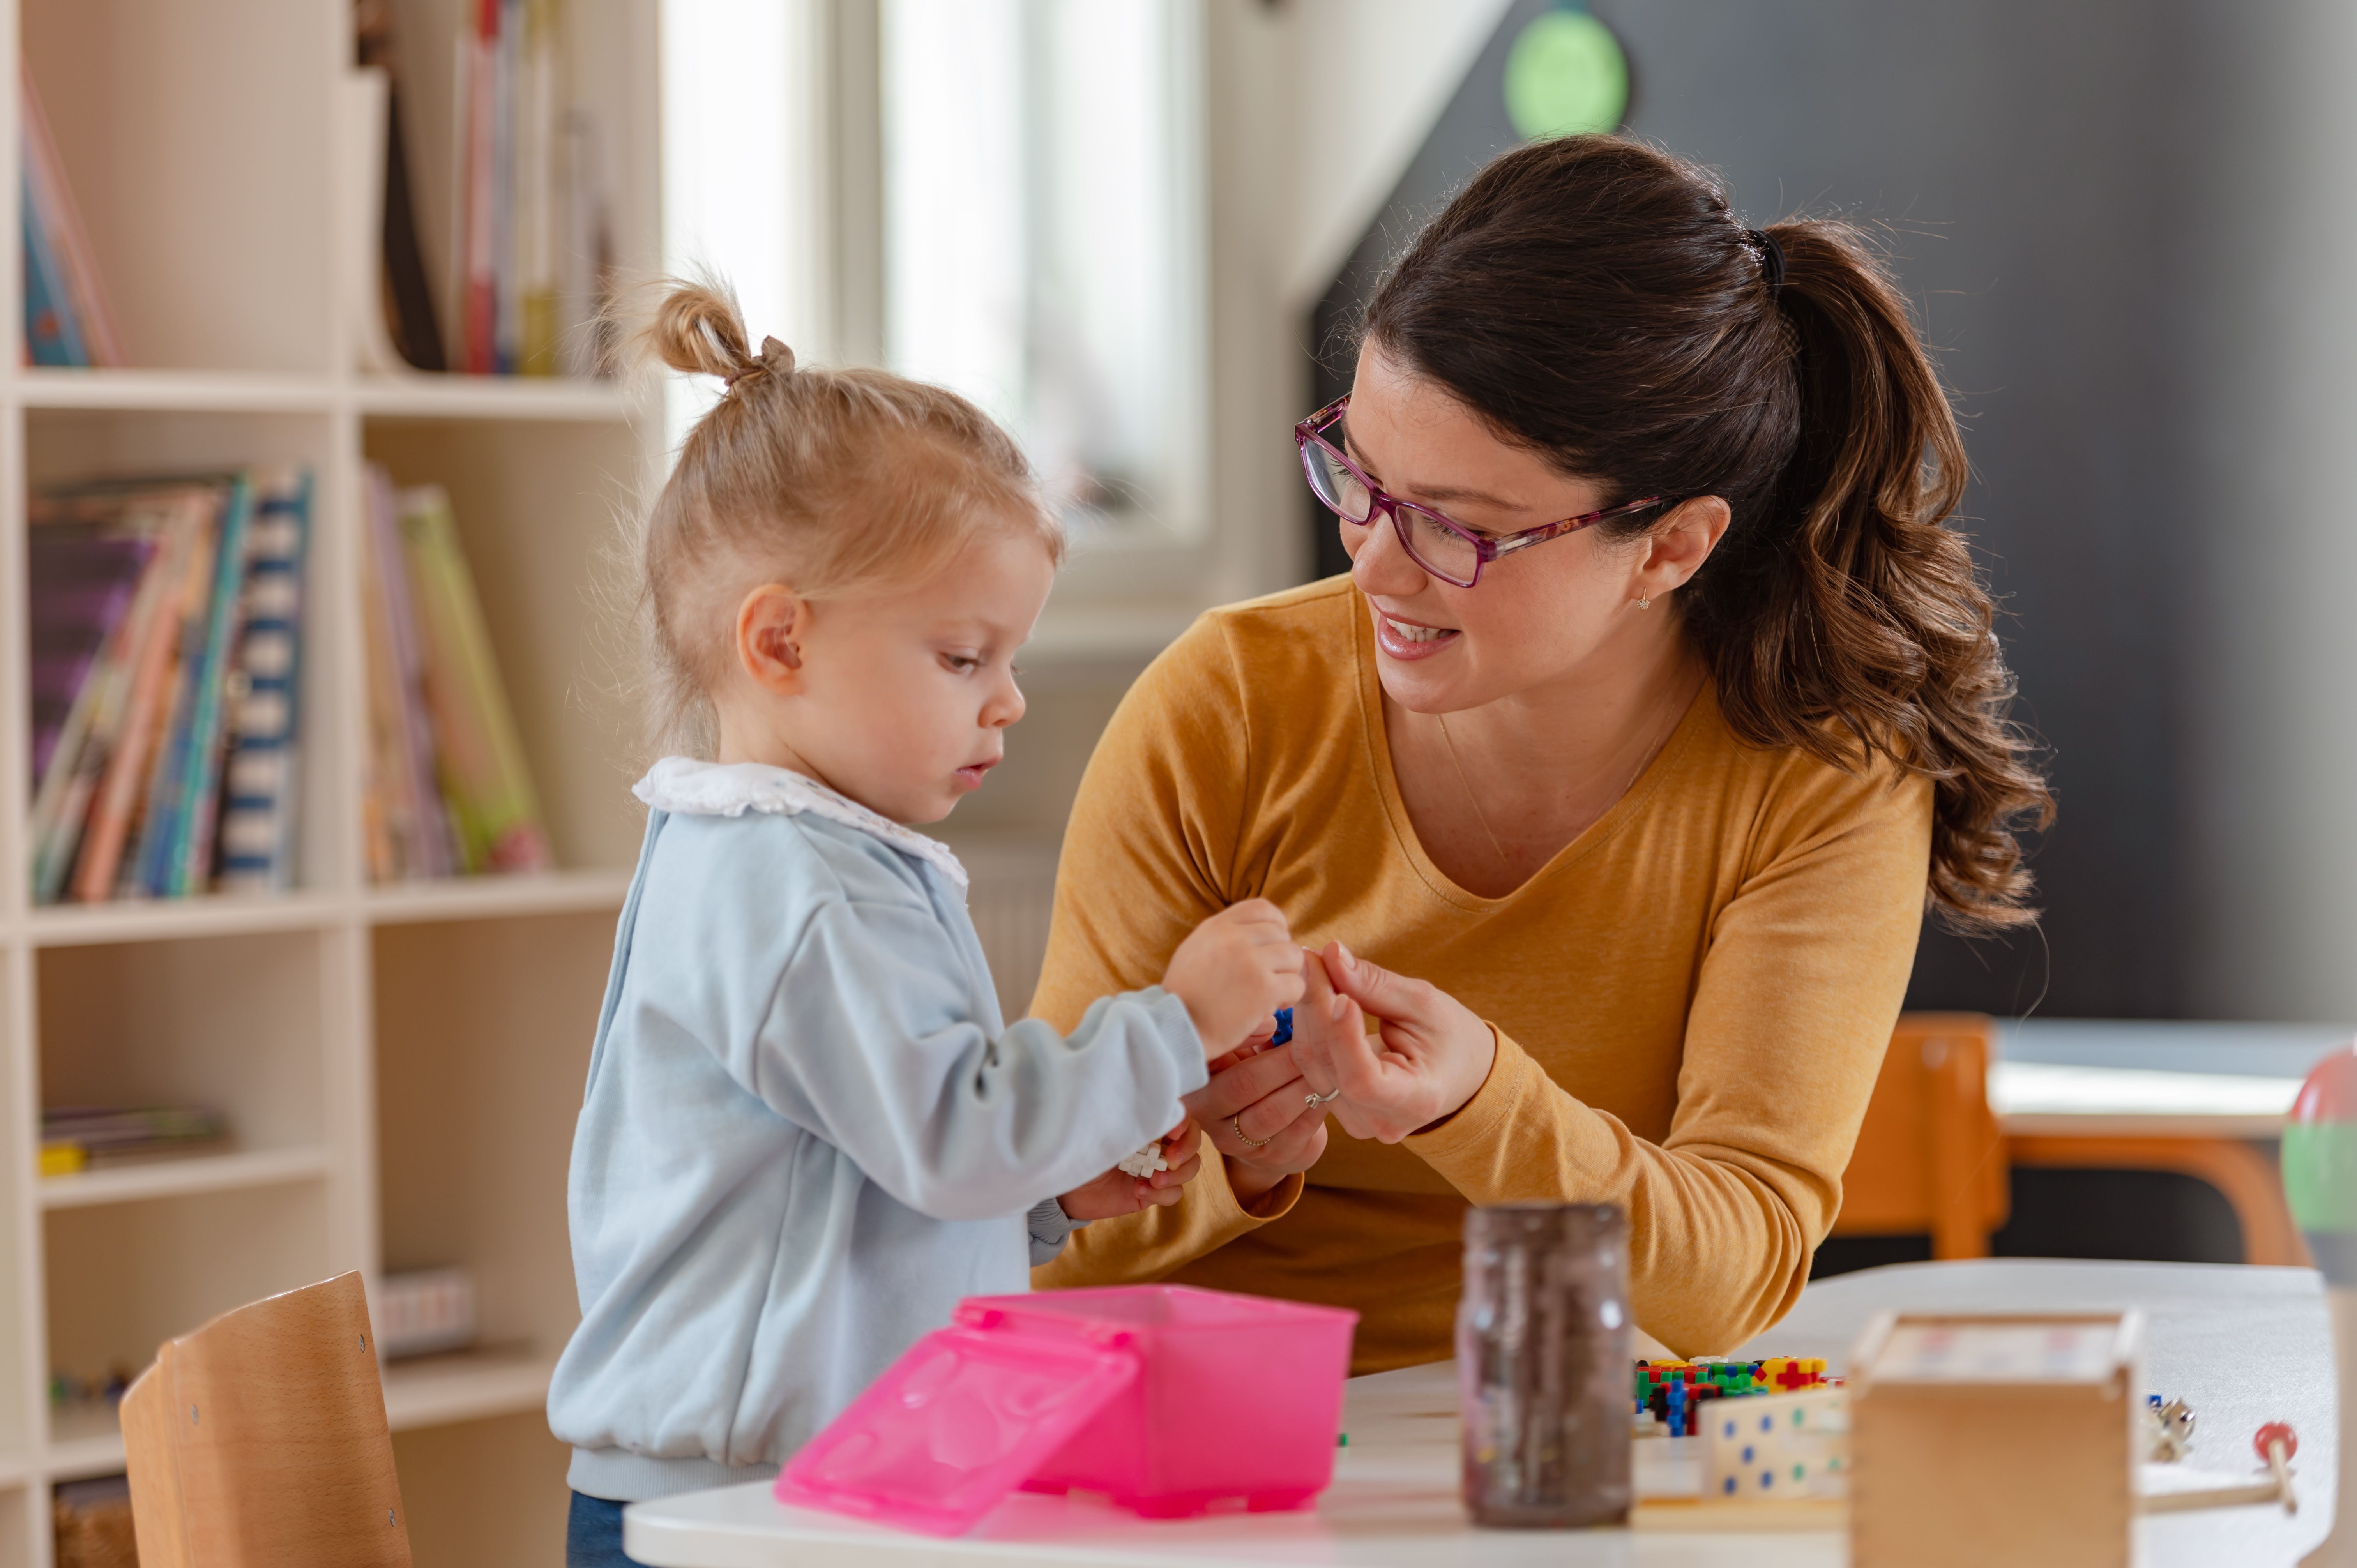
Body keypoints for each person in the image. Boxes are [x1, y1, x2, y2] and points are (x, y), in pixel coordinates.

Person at [1033, 136, 2053, 1369]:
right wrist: (1192, 1151)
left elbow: (1731, 1277)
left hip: (1565, 1452)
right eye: (1359, 477)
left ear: (1671, 548)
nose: (1373, 561)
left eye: (1460, 527)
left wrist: (1479, 1107)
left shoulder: (1816, 779)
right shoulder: (1231, 703)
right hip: (1186, 1439)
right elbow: (1016, 1232)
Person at [546, 280, 1306, 1568]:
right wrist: (1175, 1025)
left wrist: (1048, 1193)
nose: (1005, 703)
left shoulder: (816, 860)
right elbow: (952, 1134)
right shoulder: (792, 887)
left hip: (814, 1484)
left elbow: (860, 1176)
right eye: (963, 659)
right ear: (780, 641)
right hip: (731, 1513)